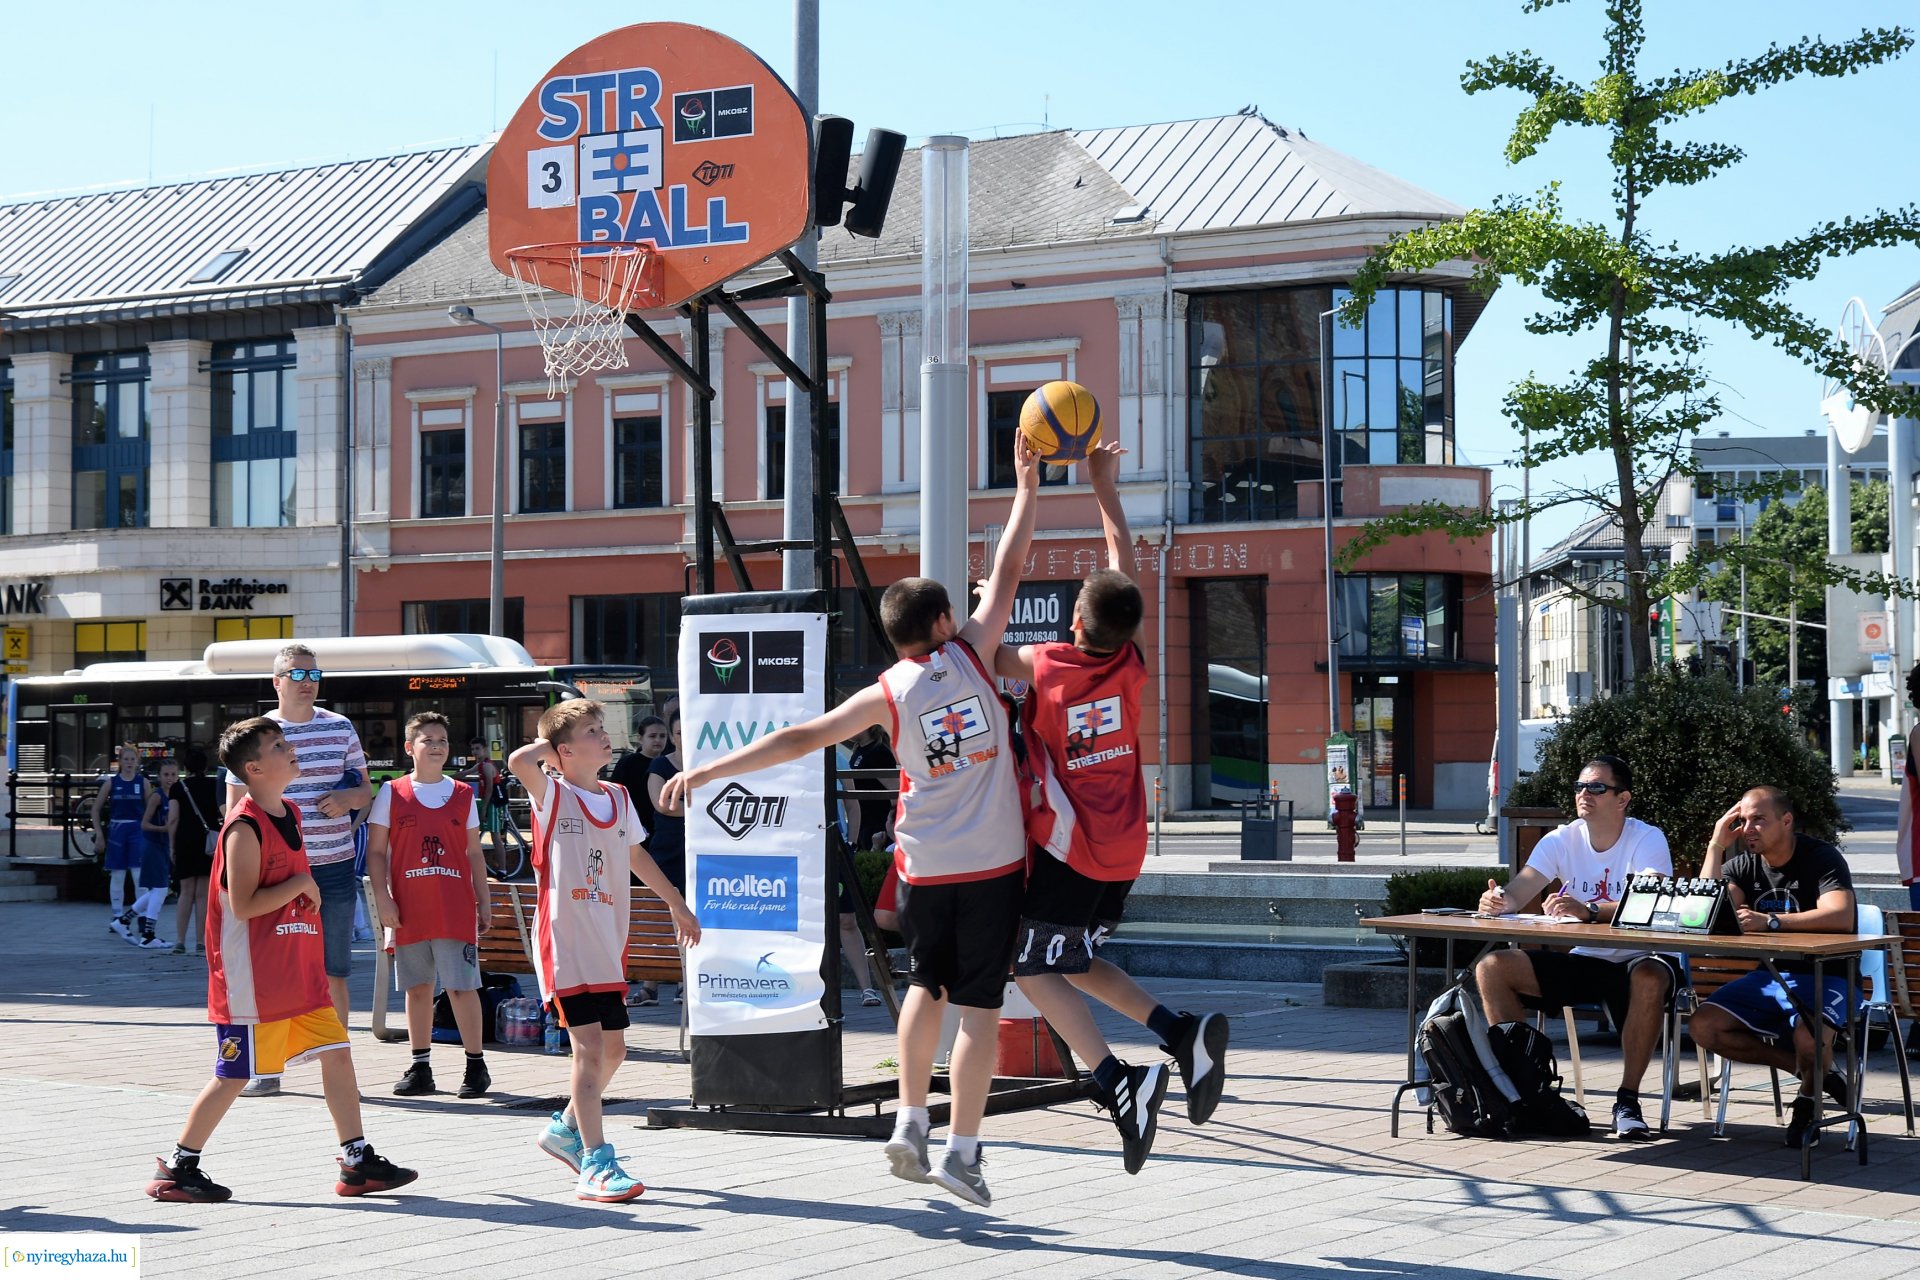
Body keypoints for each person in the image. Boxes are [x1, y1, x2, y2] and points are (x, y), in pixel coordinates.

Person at [663, 437, 1042, 1208]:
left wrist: (706, 768)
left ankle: (910, 1120)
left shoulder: (887, 693)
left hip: (925, 867)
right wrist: (1027, 486)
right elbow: (1007, 569)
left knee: (925, 986)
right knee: (979, 1006)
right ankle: (962, 1151)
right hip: (993, 864)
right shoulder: (972, 653)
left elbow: (799, 737)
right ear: (945, 621)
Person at [995, 441, 1230, 1174]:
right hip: (1125, 845)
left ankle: (1115, 1080)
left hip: (1074, 848)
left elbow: (986, 638)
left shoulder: (1046, 665)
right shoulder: (1131, 663)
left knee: (1029, 966)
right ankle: (1179, 1033)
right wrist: (1105, 487)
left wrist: (1027, 491)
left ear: (1073, 617)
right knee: (1076, 958)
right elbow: (1124, 565)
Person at [144, 717, 417, 1203]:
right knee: (234, 1074)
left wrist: (301, 891)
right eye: (277, 745)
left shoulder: (289, 810)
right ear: (253, 768)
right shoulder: (243, 828)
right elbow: (244, 905)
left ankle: (356, 1161)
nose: (289, 748)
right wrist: (300, 885)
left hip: (296, 970)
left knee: (338, 1052)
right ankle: (177, 1166)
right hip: (253, 979)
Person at [509, 698, 699, 1202]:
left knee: (614, 1050)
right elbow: (519, 761)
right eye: (591, 730)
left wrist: (677, 903)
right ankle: (595, 1162)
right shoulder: (552, 792)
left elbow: (636, 856)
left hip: (607, 943)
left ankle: (565, 1129)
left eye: (601, 727)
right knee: (589, 1049)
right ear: (564, 751)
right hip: (565, 943)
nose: (603, 734)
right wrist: (553, 743)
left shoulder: (617, 796)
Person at [1472, 755, 1677, 1140]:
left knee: (1650, 977)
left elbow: (1648, 903)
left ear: (1622, 799)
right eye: (1580, 786)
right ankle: (1528, 1092)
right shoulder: (1561, 839)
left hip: (1643, 956)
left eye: (1596, 787)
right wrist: (1498, 901)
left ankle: (1627, 1101)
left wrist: (1589, 910)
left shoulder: (1647, 838)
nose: (1585, 794)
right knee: (1492, 968)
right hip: (1588, 959)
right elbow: (1518, 892)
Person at [225, 643, 371, 1093]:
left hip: (334, 865)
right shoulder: (260, 733)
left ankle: (338, 1071)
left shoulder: (340, 727)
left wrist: (346, 799)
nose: (308, 682)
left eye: (314, 674)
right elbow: (235, 808)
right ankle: (267, 1069)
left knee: (334, 972)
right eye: (297, 674)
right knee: (273, 970)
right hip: (277, 871)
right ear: (277, 682)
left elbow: (365, 792)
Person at [1692, 786, 1859, 1149]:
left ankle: (1807, 1105)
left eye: (1759, 820)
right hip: (1769, 976)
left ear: (1786, 821)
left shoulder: (1820, 857)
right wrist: (1716, 846)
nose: (1748, 829)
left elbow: (1841, 916)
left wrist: (1771, 922)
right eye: (1743, 820)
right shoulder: (1743, 865)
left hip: (1828, 972)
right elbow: (1703, 912)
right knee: (1703, 1026)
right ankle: (1808, 1070)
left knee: (1809, 1039)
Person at [367, 712, 492, 1100]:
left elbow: (474, 853)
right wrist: (384, 899)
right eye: (428, 740)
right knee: (418, 988)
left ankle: (476, 1066)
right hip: (408, 909)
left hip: (454, 907)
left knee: (461, 987)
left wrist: (484, 901)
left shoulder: (463, 793)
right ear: (410, 747)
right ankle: (420, 1067)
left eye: (442, 740)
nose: (437, 746)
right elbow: (376, 852)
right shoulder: (392, 792)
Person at [633, 710, 687, 1007]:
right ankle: (649, 984)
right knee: (660, 914)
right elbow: (663, 805)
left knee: (691, 913)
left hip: (696, 846)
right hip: (667, 847)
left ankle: (683, 982)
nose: (683, 738)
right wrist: (700, 809)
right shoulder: (660, 765)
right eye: (678, 733)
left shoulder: (706, 765)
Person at [168, 747, 223, 956]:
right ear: (205, 767)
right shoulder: (214, 785)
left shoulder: (178, 787)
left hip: (185, 842)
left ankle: (180, 941)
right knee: (202, 895)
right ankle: (201, 942)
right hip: (208, 843)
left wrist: (171, 845)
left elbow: (173, 818)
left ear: (186, 767)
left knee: (185, 892)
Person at [92, 744, 150, 940]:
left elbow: (152, 808)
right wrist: (99, 834)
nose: (129, 763)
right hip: (117, 830)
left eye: (132, 759)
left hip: (137, 830)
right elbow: (95, 809)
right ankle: (117, 915)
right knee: (117, 875)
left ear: (137, 761)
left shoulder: (143, 783)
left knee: (139, 876)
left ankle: (142, 917)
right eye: (126, 759)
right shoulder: (111, 783)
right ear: (120, 761)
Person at [128, 758, 178, 949]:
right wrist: (163, 829)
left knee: (157, 891)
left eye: (173, 774)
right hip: (153, 845)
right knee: (161, 889)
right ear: (159, 776)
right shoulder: (157, 796)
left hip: (164, 846)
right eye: (166, 775)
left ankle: (124, 920)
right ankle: (148, 935)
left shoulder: (175, 795)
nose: (170, 778)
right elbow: (144, 824)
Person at [464, 738, 506, 846]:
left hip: (493, 802)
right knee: (491, 834)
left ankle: (501, 859)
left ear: (485, 749)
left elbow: (489, 788)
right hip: (489, 801)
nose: (474, 751)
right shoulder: (481, 765)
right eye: (473, 749)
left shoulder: (486, 766)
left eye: (477, 748)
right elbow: (466, 773)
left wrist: (484, 808)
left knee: (495, 836)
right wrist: (446, 777)